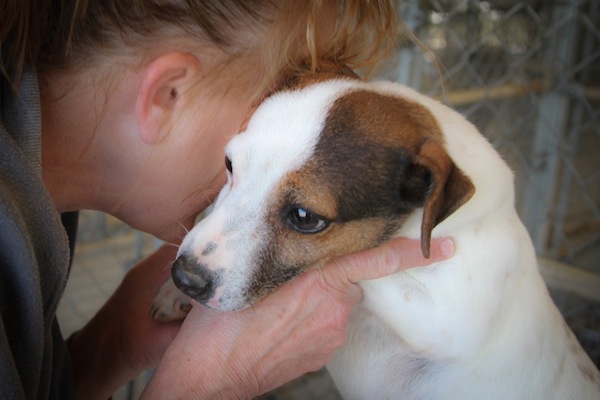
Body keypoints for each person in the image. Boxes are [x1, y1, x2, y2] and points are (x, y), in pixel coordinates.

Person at [0, 1, 454, 399]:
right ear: (169, 93)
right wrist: (201, 388)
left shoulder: (33, 186)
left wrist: (111, 345)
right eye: (280, 96)